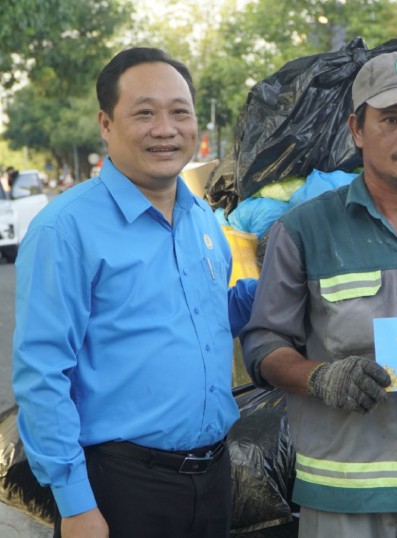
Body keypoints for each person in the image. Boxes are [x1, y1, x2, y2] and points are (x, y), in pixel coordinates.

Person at [240, 50, 397, 538]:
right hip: (342, 498)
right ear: (357, 129)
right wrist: (320, 378)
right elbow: (263, 343)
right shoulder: (304, 230)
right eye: (391, 119)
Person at [13, 47, 255, 538]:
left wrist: (281, 280)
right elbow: (42, 374)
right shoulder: (66, 228)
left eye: (179, 112)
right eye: (144, 113)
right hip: (119, 487)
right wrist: (76, 504)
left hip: (212, 479)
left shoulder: (202, 219)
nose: (166, 129)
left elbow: (209, 317)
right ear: (106, 124)